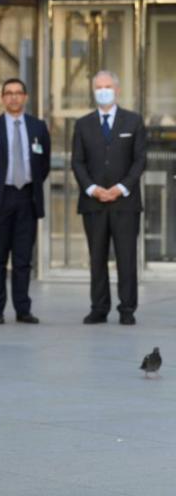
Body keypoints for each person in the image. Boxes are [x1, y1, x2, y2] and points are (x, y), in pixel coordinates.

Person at [71, 70, 147, 325]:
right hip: (93, 203)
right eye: (98, 87)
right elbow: (77, 162)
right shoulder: (83, 124)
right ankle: (99, 308)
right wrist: (92, 188)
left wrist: (120, 188)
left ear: (117, 90)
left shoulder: (133, 121)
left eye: (107, 86)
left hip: (125, 202)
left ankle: (127, 309)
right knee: (97, 257)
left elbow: (139, 160)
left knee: (126, 258)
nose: (103, 90)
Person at [0, 78, 51, 324]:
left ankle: (23, 309)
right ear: (2, 98)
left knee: (23, 259)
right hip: (0, 199)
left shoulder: (38, 127)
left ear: (25, 97)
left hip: (27, 197)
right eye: (9, 93)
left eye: (18, 93)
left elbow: (44, 164)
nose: (14, 97)